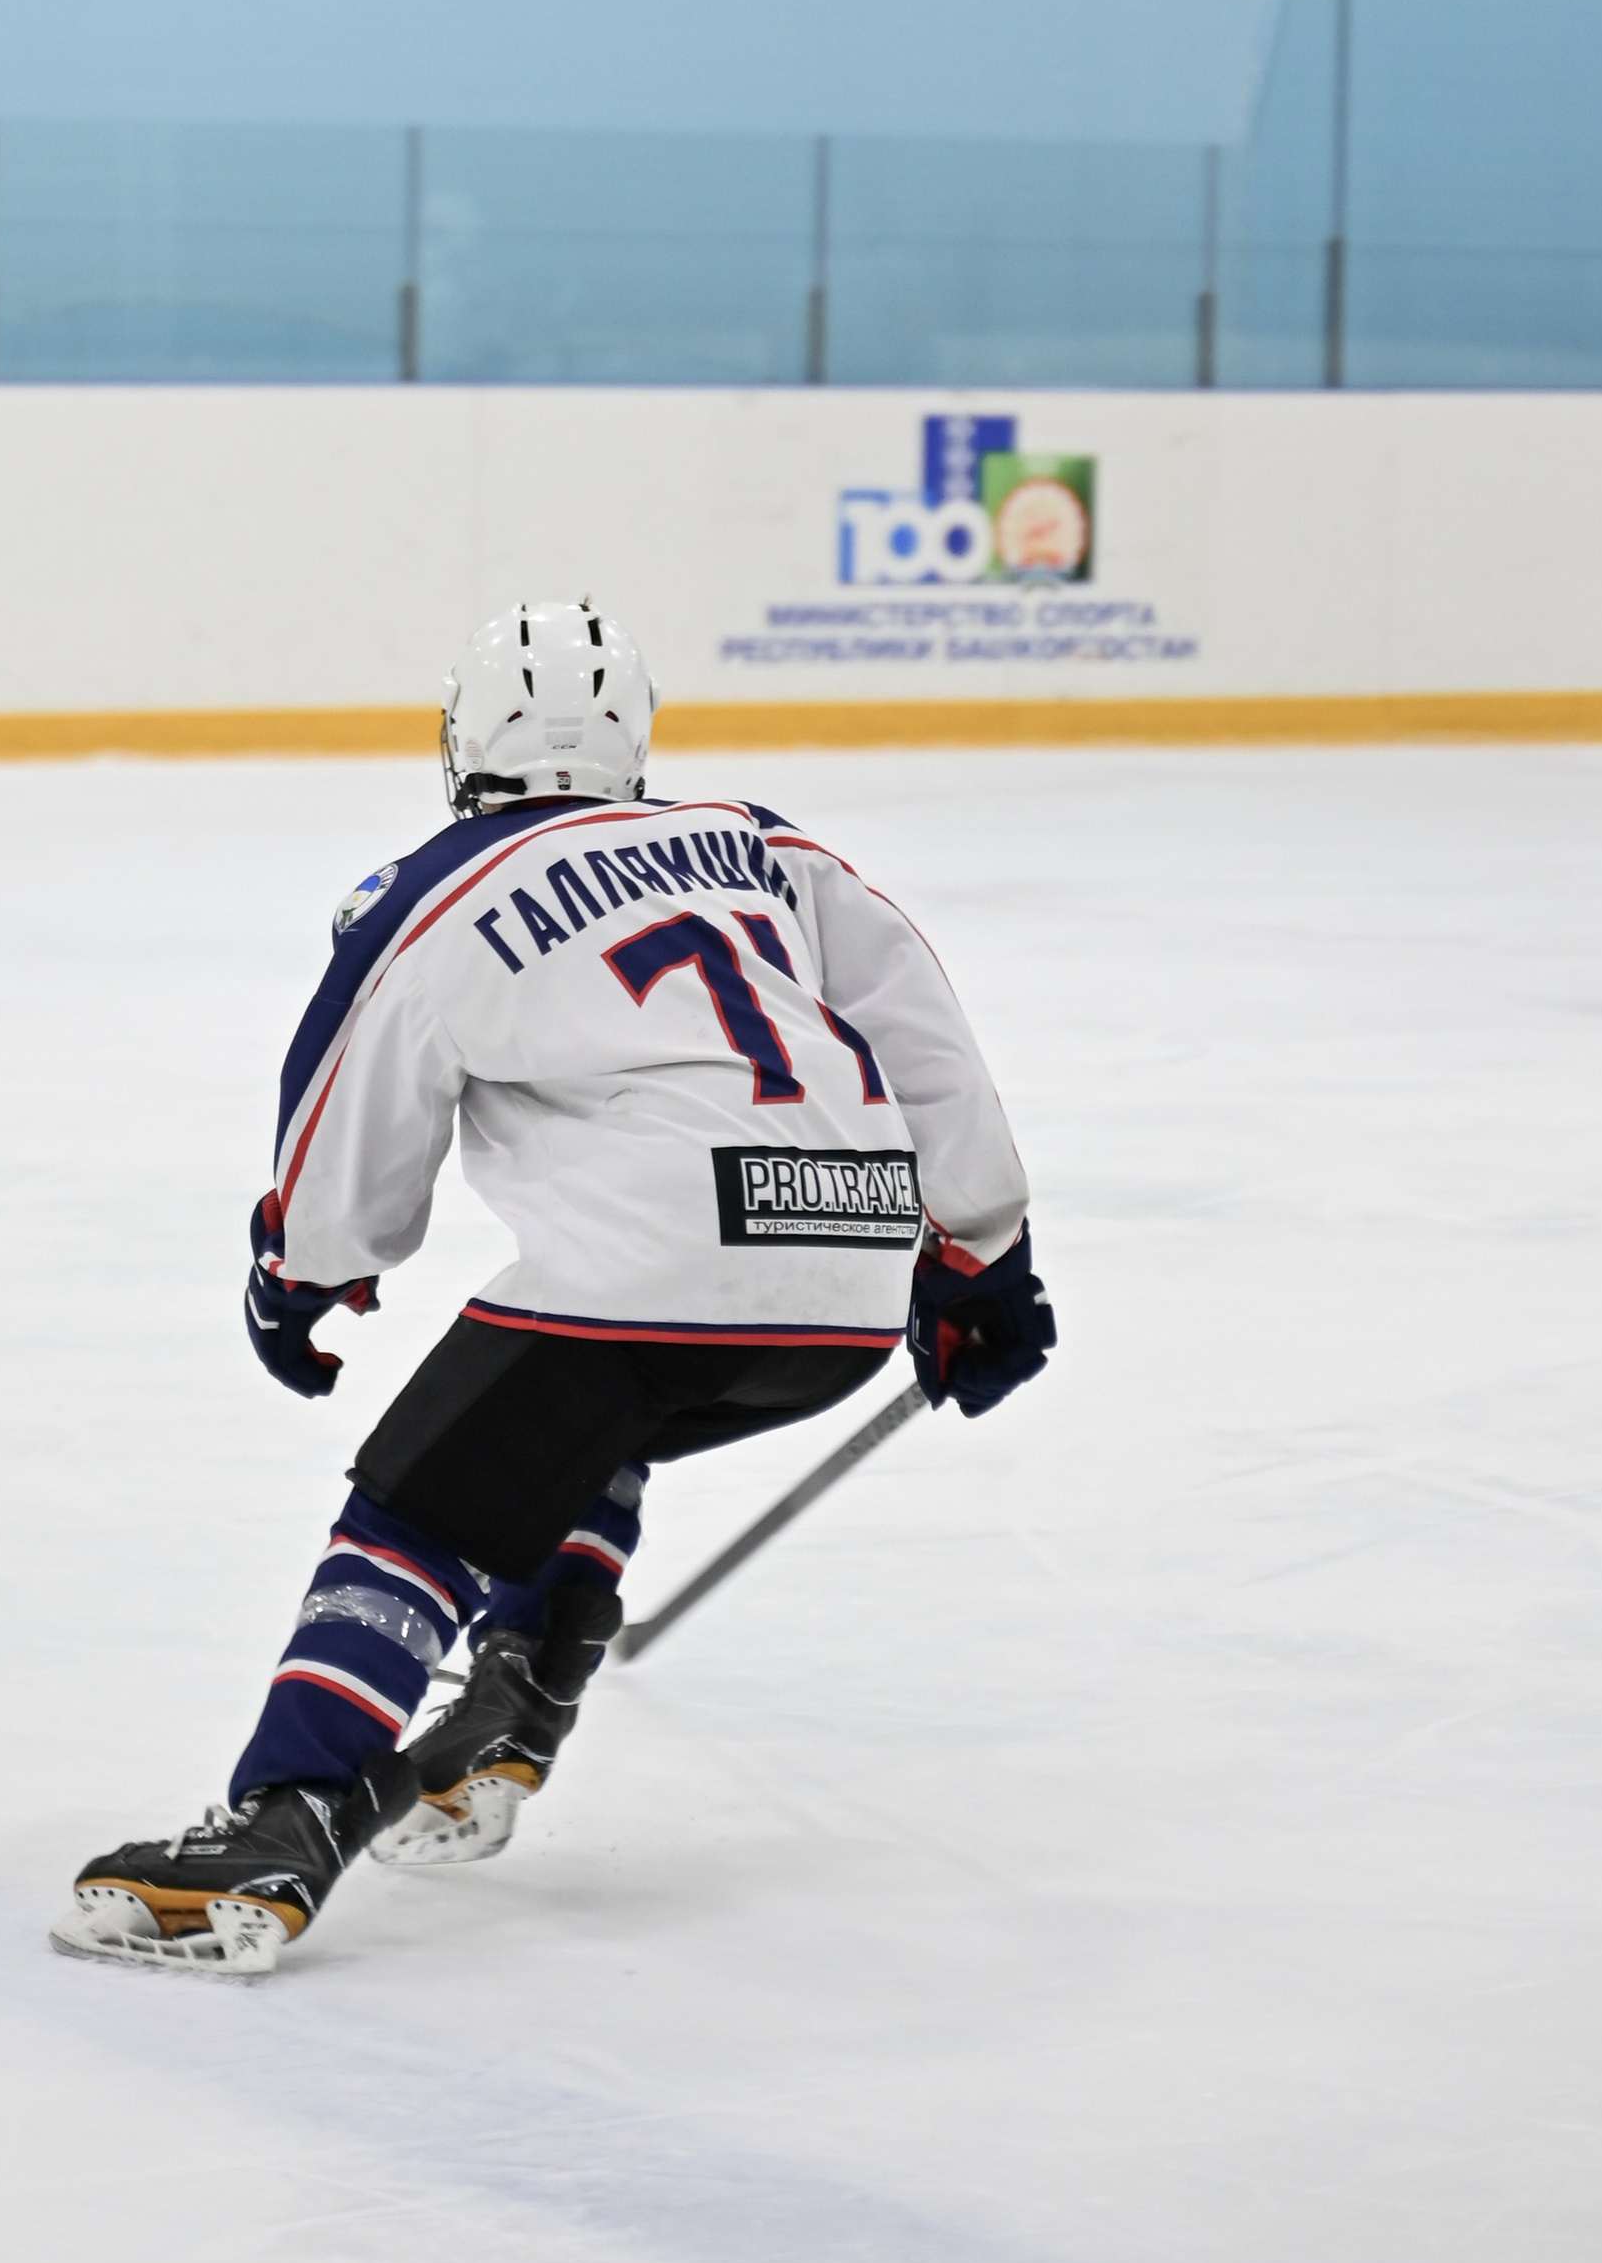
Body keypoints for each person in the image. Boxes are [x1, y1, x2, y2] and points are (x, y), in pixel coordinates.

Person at [55, 598, 1053, 1973]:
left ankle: (286, 1810)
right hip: (847, 1277)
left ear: (459, 734)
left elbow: (353, 1100)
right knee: (589, 1412)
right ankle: (518, 1700)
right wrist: (980, 1255)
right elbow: (920, 1023)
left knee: (420, 1501)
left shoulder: (437, 885)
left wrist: (304, 1270)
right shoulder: (760, 842)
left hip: (658, 1261)